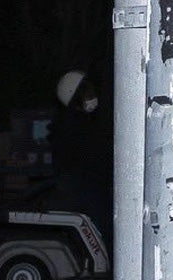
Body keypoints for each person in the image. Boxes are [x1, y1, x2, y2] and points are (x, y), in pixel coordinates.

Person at [50, 69, 113, 250]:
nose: (92, 96)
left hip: (90, 187)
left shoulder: (83, 122)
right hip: (84, 191)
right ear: (75, 97)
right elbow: (93, 160)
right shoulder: (73, 126)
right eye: (87, 93)